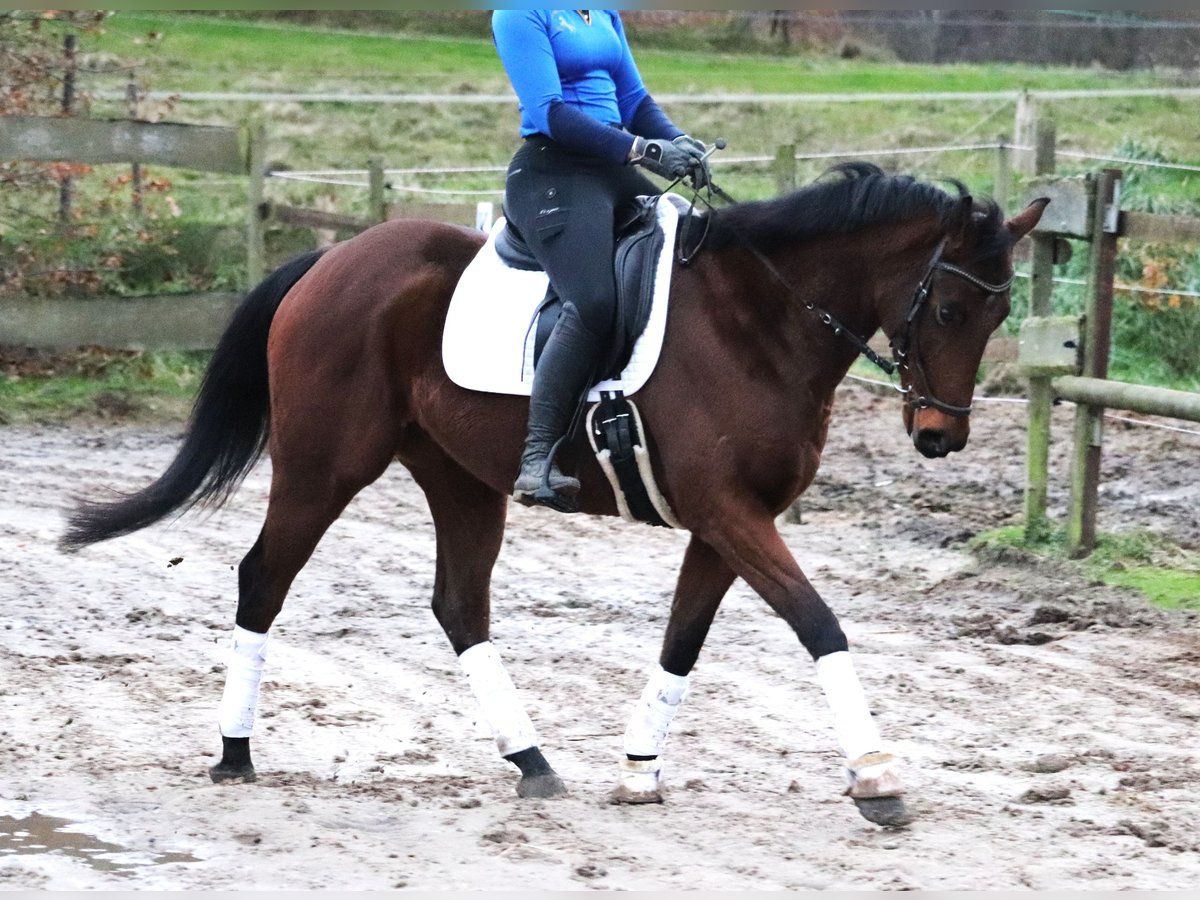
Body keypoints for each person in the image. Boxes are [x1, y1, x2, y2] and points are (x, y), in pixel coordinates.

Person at [492, 9, 710, 511]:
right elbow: (549, 110)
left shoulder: (602, 9)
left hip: (613, 167)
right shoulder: (519, 13)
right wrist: (640, 149)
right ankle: (538, 455)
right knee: (591, 302)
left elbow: (633, 98)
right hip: (553, 170)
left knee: (696, 256)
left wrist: (675, 140)